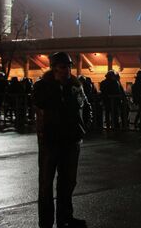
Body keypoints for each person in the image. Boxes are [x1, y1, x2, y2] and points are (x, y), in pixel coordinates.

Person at [33, 52, 91, 228]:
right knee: (46, 184)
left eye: (68, 66)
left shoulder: (76, 86)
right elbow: (39, 105)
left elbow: (86, 107)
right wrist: (56, 86)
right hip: (50, 141)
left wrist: (83, 128)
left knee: (68, 182)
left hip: (71, 141)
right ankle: (46, 223)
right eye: (62, 66)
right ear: (54, 68)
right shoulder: (43, 86)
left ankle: (65, 217)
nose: (66, 70)